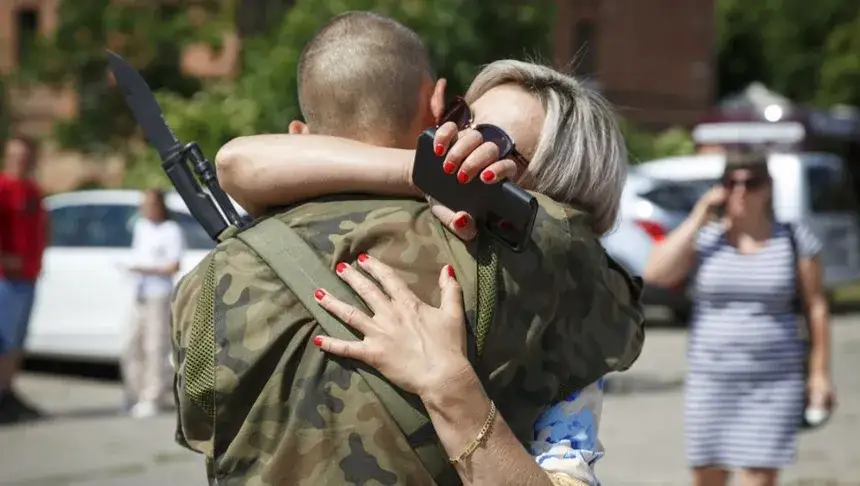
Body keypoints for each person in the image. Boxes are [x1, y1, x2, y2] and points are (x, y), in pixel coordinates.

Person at [172, 12, 642, 486]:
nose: (459, 141)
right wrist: (420, 171)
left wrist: (450, 388)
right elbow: (236, 162)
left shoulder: (567, 299)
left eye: (495, 146)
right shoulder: (405, 208)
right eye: (459, 119)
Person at [643, 150, 835, 486]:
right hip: (711, 379)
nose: (741, 191)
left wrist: (819, 374)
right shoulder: (706, 239)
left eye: (751, 182)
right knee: (707, 474)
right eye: (732, 182)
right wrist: (700, 213)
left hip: (773, 382)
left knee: (758, 477)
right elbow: (656, 274)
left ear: (768, 188)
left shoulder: (793, 239)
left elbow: (816, 306)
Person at [122, 188, 185, 419]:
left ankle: (153, 396)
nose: (145, 208)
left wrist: (147, 268)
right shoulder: (141, 227)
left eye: (149, 204)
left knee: (154, 346)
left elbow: (174, 265)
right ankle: (135, 393)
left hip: (158, 293)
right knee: (131, 344)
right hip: (138, 292)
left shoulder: (171, 230)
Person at [0, 135, 48, 425]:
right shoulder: (3, 187)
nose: (21, 161)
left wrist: (40, 256)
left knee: (17, 342)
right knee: (3, 340)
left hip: (28, 277)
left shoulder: (33, 190)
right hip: (5, 278)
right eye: (16, 155)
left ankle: (6, 393)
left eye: (26, 156)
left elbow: (43, 224)